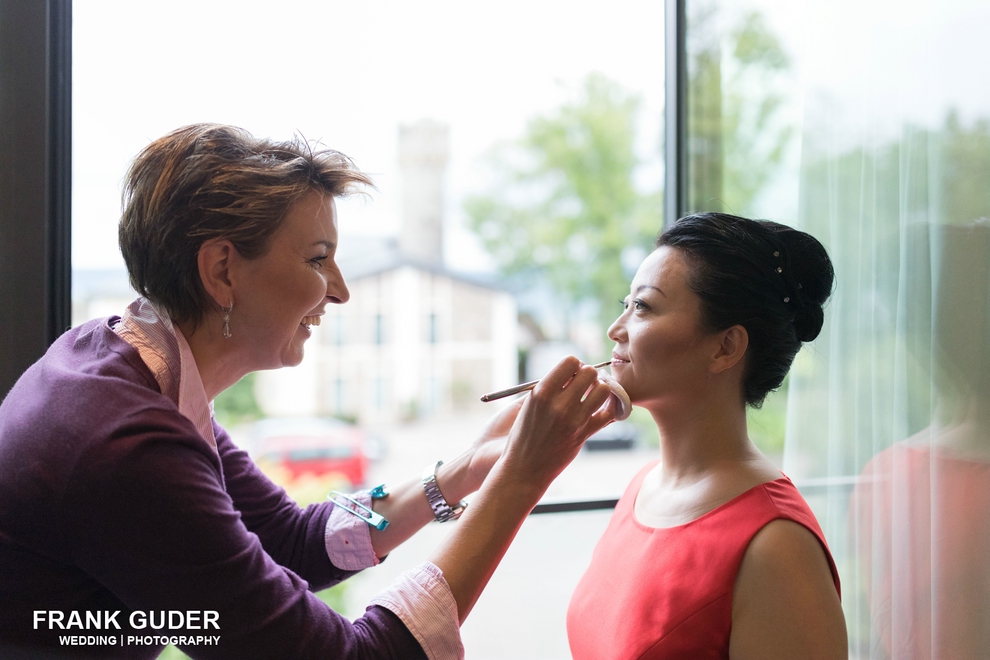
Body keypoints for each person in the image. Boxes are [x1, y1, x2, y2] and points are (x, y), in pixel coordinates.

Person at [0, 123, 616, 659]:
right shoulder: (127, 444)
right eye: (319, 259)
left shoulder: (131, 365)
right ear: (221, 271)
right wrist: (519, 483)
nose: (341, 290)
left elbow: (290, 539)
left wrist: (459, 474)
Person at [567, 213, 847, 659]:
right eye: (626, 304)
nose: (615, 330)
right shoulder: (641, 489)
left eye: (643, 307)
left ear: (726, 348)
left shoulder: (777, 546)